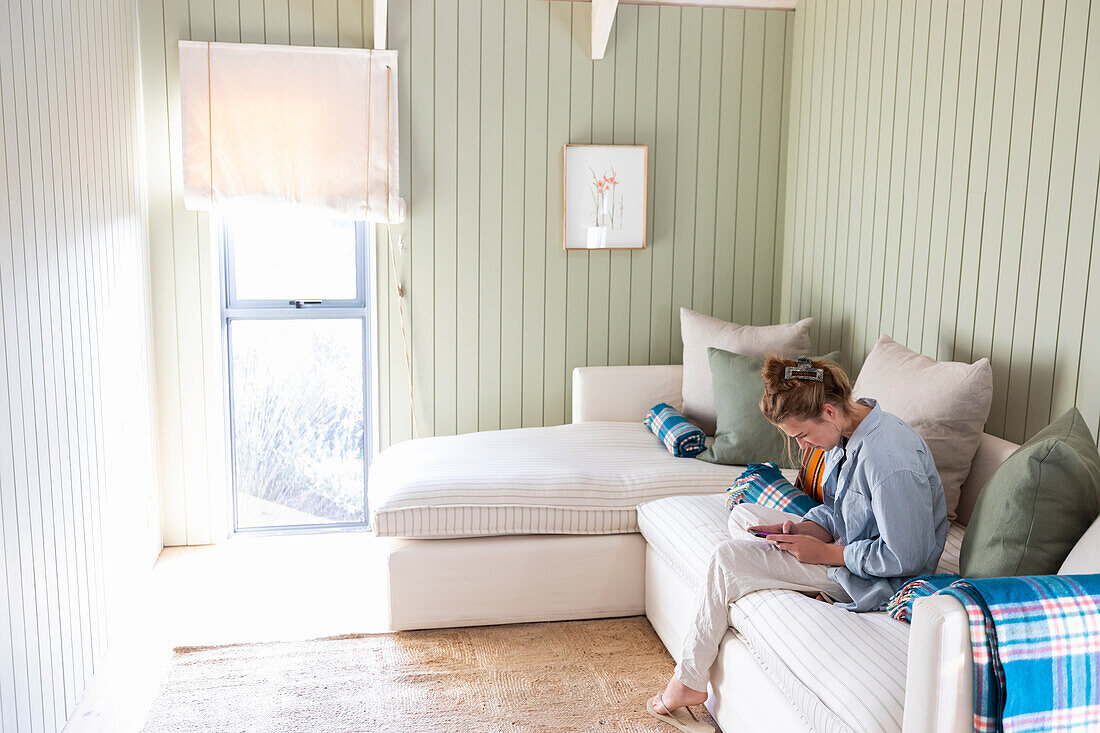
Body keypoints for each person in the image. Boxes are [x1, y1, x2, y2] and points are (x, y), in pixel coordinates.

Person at [646, 355, 948, 732]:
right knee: (744, 518)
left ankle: (688, 681)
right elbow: (844, 510)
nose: (803, 447)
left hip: (874, 577)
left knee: (726, 558)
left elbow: (908, 556)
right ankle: (791, 570)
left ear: (828, 411)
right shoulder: (850, 432)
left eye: (802, 436)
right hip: (842, 547)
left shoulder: (888, 460)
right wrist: (808, 528)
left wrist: (826, 553)